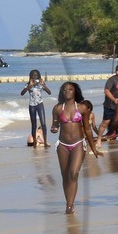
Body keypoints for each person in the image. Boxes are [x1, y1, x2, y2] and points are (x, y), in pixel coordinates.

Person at [50, 81, 93, 213]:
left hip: (78, 143)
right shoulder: (57, 109)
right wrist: (54, 128)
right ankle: (68, 202)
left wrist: (94, 147)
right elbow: (55, 125)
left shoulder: (82, 108)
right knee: (65, 176)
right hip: (62, 145)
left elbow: (88, 129)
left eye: (70, 89)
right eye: (64, 90)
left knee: (73, 174)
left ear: (75, 92)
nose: (67, 91)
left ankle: (70, 206)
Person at [21, 69, 51, 147]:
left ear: (39, 77)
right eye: (33, 76)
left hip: (40, 104)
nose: (35, 77)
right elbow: (22, 93)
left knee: (43, 123)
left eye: (36, 76)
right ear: (30, 77)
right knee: (34, 125)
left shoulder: (41, 84)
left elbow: (49, 92)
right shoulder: (28, 84)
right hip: (32, 106)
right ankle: (34, 142)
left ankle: (45, 142)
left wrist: (44, 84)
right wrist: (29, 86)